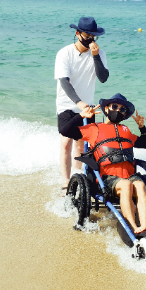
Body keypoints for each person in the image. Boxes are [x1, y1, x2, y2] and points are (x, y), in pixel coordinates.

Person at [59, 93, 146, 235]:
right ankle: (133, 228)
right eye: (114, 106)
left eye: (122, 109)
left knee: (140, 185)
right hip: (107, 179)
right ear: (106, 109)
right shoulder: (94, 129)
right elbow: (65, 130)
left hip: (129, 175)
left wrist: (142, 127)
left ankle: (145, 226)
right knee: (126, 185)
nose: (118, 110)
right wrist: (81, 116)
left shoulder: (126, 131)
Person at [55, 16, 109, 186]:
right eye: (87, 36)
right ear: (78, 34)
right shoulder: (65, 53)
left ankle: (78, 180)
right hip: (66, 105)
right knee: (65, 143)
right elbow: (64, 81)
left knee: (82, 147)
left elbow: (103, 78)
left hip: (88, 107)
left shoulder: (99, 54)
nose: (91, 40)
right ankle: (65, 182)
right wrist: (78, 102)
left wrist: (95, 56)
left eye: (93, 36)